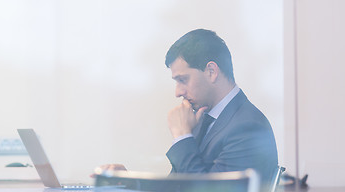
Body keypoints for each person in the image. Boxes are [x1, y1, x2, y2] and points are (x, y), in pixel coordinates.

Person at [94, 29, 278, 183]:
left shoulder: (247, 127)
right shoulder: (204, 119)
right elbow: (176, 191)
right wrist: (127, 181)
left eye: (183, 80)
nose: (178, 92)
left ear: (211, 71)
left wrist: (182, 137)